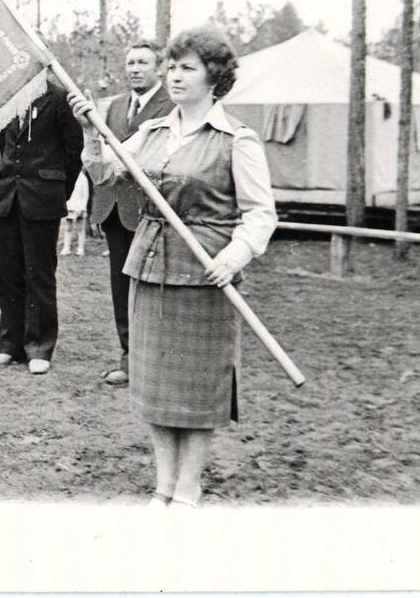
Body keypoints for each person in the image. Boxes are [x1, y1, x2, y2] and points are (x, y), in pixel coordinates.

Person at [69, 27, 277, 506]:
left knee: (198, 384)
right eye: (173, 66)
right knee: (156, 382)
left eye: (188, 67)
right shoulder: (153, 131)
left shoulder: (236, 139)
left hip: (206, 269)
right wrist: (88, 131)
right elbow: (104, 173)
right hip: (150, 263)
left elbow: (261, 213)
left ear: (215, 77)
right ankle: (163, 482)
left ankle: (189, 485)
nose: (175, 75)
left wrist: (234, 256)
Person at [90, 42, 175, 386]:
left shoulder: (171, 105)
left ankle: (156, 360)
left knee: (152, 288)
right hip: (113, 208)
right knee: (120, 286)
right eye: (130, 63)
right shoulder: (115, 106)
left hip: (150, 211)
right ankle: (128, 358)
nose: (135, 69)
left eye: (143, 62)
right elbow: (101, 156)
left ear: (160, 68)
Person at [0, 80, 84, 375]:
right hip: (9, 198)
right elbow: (1, 147)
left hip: (43, 198)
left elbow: (74, 149)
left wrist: (56, 190)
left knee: (39, 274)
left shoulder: (58, 96)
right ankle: (9, 345)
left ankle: (39, 347)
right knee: (8, 273)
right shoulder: (8, 94)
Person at [60, 171, 90, 257]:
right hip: (70, 206)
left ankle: (80, 249)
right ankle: (66, 248)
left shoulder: (83, 178)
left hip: (80, 207)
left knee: (80, 228)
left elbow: (86, 195)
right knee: (68, 228)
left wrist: (83, 208)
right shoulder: (69, 175)